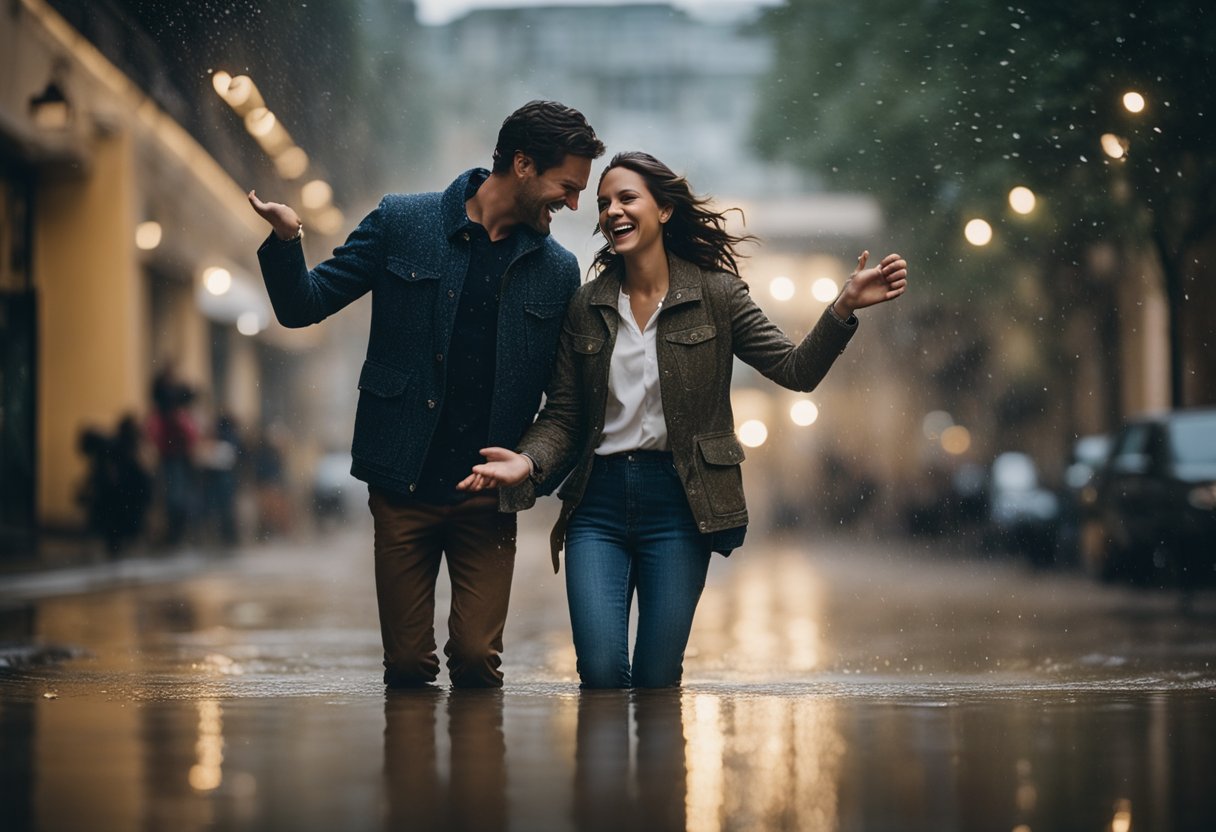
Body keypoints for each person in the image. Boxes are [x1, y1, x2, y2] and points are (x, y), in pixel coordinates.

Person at [458, 151, 908, 688]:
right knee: (600, 672)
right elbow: (564, 415)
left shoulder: (717, 295)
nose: (612, 212)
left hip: (679, 506)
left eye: (627, 198)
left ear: (665, 210)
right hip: (595, 506)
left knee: (656, 679)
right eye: (604, 204)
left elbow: (795, 370)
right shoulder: (587, 305)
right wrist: (528, 463)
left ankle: (655, 774)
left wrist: (842, 309)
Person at [248, 101, 604, 689]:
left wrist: (531, 464)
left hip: (488, 502)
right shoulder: (400, 221)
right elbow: (302, 306)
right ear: (521, 164)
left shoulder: (558, 271)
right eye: (566, 187)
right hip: (401, 484)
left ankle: (474, 781)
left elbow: (565, 408)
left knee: (474, 659)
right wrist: (288, 242)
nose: (571, 204)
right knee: (408, 667)